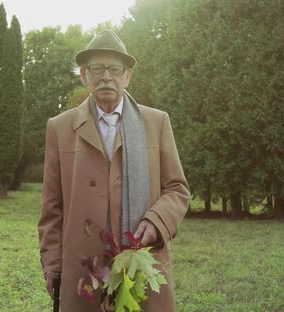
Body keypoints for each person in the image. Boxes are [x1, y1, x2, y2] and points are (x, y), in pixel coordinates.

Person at [38, 30, 190, 311]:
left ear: (127, 76)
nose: (106, 76)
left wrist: (157, 221)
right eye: (97, 68)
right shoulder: (59, 128)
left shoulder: (156, 123)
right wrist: (53, 265)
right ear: (85, 76)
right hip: (83, 276)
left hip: (140, 271)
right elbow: (52, 207)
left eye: (115, 69)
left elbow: (177, 189)